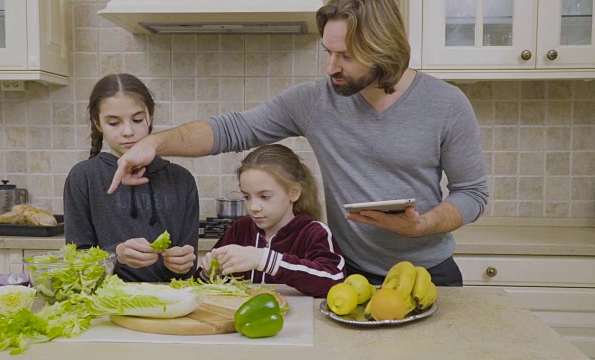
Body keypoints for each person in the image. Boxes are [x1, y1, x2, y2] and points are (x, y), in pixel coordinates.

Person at [107, 0, 489, 287]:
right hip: (348, 274)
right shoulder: (315, 101)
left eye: (346, 55)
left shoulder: (446, 103)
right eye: (328, 51)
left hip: (429, 273)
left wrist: (422, 225)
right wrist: (155, 142)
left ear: (383, 49)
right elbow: (233, 129)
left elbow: (472, 194)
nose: (331, 67)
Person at [64, 73, 199, 283]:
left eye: (137, 120)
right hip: (107, 300)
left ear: (150, 117)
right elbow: (76, 262)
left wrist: (183, 263)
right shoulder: (83, 177)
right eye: (114, 123)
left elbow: (188, 267)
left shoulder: (182, 179)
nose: (128, 131)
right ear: (98, 124)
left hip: (171, 300)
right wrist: (116, 255)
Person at [197, 144, 346, 297]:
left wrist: (265, 260)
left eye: (264, 197)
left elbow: (334, 280)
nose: (253, 207)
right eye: (247, 197)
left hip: (298, 319)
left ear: (293, 193)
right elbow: (197, 286)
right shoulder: (239, 230)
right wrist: (208, 273)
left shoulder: (314, 232)